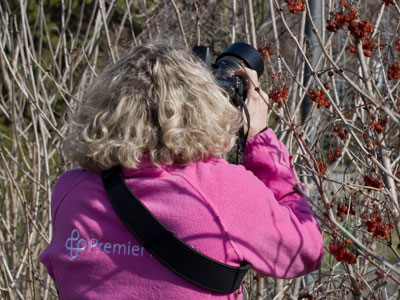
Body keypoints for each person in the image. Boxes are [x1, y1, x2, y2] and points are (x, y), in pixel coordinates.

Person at [40, 43, 324, 300]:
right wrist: (259, 138)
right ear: (204, 108)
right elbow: (305, 250)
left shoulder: (70, 192)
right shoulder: (224, 191)